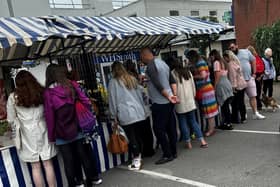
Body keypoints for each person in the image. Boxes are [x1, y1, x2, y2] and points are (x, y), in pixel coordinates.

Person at [44, 64, 102, 187]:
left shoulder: (48, 93)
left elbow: (50, 117)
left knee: (68, 161)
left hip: (60, 132)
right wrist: (84, 113)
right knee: (83, 156)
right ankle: (90, 182)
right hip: (77, 127)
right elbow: (86, 100)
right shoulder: (72, 85)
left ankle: (75, 184)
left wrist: (51, 135)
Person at [7, 70, 57, 187]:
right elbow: (49, 111)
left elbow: (11, 119)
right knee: (48, 164)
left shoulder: (13, 97)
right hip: (43, 128)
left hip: (26, 133)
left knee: (35, 166)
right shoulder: (41, 92)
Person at [140, 47, 178, 165]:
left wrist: (168, 97)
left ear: (146, 55)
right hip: (169, 100)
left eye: (141, 57)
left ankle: (167, 154)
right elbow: (172, 80)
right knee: (171, 127)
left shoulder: (151, 66)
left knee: (158, 129)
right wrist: (174, 96)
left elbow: (158, 85)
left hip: (160, 102)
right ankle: (173, 151)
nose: (141, 59)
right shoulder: (163, 63)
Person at [108, 61, 149, 170]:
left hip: (126, 113)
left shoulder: (113, 82)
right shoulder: (131, 78)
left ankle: (136, 160)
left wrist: (113, 116)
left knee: (131, 137)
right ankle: (139, 157)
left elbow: (112, 100)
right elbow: (142, 94)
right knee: (137, 135)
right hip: (138, 111)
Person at [171, 58, 208, 149]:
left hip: (180, 102)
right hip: (190, 101)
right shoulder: (188, 72)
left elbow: (172, 88)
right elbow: (193, 86)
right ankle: (202, 141)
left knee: (183, 122)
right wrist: (193, 96)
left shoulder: (173, 74)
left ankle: (188, 143)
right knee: (193, 121)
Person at [123, 60, 155, 157]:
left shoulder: (127, 80)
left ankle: (144, 150)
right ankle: (150, 149)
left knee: (140, 132)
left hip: (137, 109)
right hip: (144, 107)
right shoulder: (137, 77)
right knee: (147, 130)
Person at [186, 50, 219, 137]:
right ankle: (212, 128)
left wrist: (193, 77)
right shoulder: (202, 61)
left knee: (208, 111)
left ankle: (211, 129)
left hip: (205, 90)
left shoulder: (199, 63)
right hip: (207, 89)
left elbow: (203, 75)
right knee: (209, 110)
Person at [229, 43, 265, 120]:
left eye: (232, 47)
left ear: (236, 46)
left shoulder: (246, 51)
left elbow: (253, 60)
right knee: (241, 99)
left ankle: (255, 113)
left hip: (249, 78)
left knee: (253, 96)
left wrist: (254, 73)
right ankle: (243, 114)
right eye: (230, 48)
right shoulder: (230, 56)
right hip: (239, 81)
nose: (232, 49)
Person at [209, 49, 234, 130]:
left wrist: (214, 87)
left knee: (224, 105)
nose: (211, 58)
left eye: (211, 56)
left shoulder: (216, 63)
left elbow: (217, 76)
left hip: (221, 84)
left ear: (213, 55)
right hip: (227, 82)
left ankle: (227, 123)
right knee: (226, 104)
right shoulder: (223, 61)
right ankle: (228, 122)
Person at [223, 50, 248, 124]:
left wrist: (233, 87)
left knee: (234, 103)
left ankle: (235, 118)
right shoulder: (236, 62)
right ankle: (243, 117)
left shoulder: (230, 64)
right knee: (241, 102)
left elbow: (232, 77)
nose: (224, 60)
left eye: (224, 58)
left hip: (237, 85)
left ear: (227, 57)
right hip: (242, 83)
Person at [247, 46, 265, 110]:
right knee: (258, 91)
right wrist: (261, 76)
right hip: (260, 76)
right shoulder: (259, 57)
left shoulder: (250, 58)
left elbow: (250, 68)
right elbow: (263, 66)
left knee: (255, 92)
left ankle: (257, 105)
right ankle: (259, 105)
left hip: (254, 75)